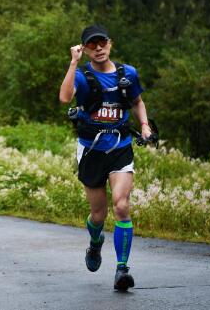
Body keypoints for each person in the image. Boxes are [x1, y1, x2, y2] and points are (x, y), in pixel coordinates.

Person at [58, 24, 152, 292]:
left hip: (120, 147)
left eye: (102, 43)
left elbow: (136, 102)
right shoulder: (81, 75)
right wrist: (73, 63)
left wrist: (144, 125)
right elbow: (65, 98)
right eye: (91, 45)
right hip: (91, 149)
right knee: (98, 215)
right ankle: (96, 243)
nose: (98, 48)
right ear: (84, 49)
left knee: (121, 205)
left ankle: (122, 269)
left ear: (110, 44)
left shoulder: (128, 74)